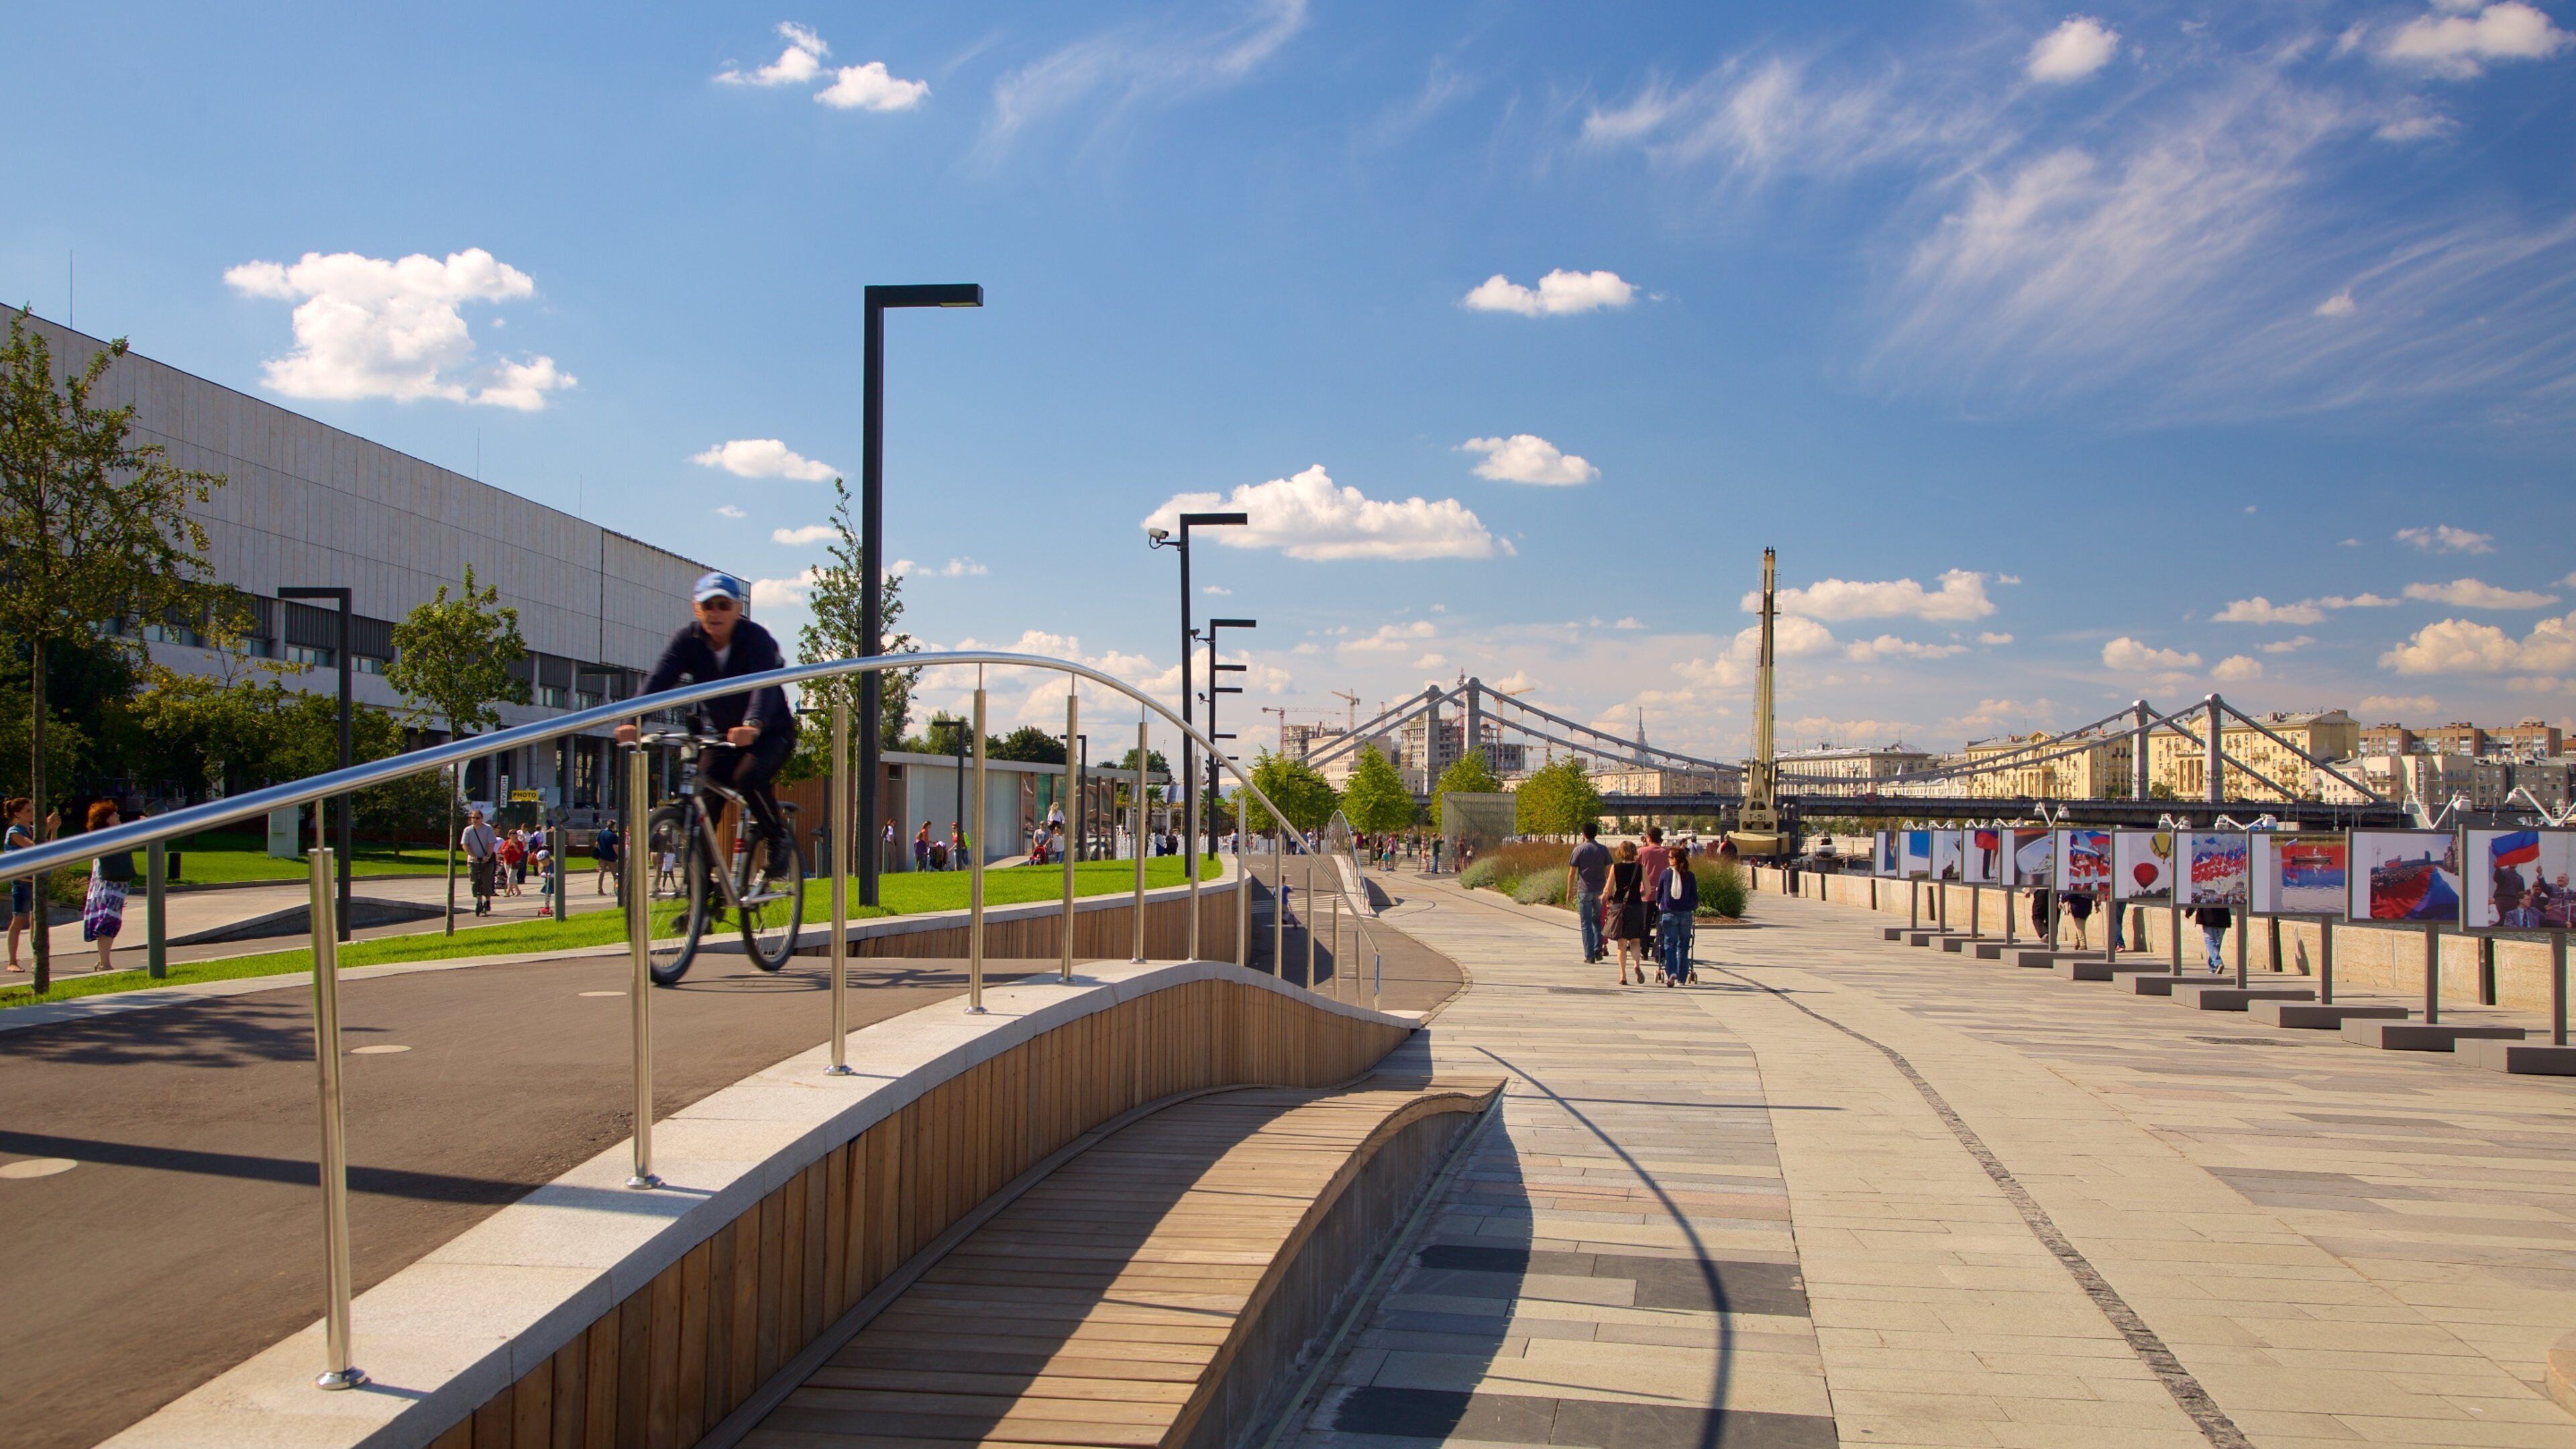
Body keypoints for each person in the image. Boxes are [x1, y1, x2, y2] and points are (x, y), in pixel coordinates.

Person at [614, 572, 799, 879]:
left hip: (770, 732)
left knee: (748, 778)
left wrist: (753, 724)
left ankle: (777, 838)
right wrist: (632, 719)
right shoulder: (688, 640)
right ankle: (701, 891)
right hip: (721, 737)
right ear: (696, 609)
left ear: (738, 610)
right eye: (707, 605)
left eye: (723, 605)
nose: (715, 613)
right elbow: (659, 680)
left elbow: (763, 686)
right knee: (703, 801)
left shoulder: (756, 639)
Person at [82, 800, 133, 974]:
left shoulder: (109, 835)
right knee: (108, 922)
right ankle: (104, 963)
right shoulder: (107, 836)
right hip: (109, 886)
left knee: (109, 921)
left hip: (113, 886)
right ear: (105, 819)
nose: (118, 816)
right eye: (114, 814)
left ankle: (103, 960)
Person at [5, 797, 51, 973]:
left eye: (33, 810)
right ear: (17, 814)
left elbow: (48, 848)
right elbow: (33, 847)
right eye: (28, 811)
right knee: (19, 920)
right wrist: (47, 826)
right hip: (22, 882)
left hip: (37, 882)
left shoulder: (33, 830)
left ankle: (36, 959)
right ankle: (12, 961)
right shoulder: (14, 832)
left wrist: (53, 829)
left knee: (37, 922)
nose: (32, 813)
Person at [1568, 822, 1611, 965]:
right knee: (1597, 920)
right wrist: (1610, 889)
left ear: (1584, 834)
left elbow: (1572, 872)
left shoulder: (1579, 850)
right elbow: (1608, 871)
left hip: (1584, 890)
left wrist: (1570, 891)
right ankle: (1598, 949)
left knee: (1585, 922)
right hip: (1600, 890)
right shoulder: (1603, 850)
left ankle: (1589, 954)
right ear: (1596, 833)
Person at [1656, 849, 1699, 987]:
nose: (1668, 859)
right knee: (1683, 946)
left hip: (1669, 913)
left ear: (1675, 859)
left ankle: (1672, 971)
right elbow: (1695, 897)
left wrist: (1660, 904)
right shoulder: (1690, 876)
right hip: (1685, 914)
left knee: (1669, 944)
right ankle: (1681, 977)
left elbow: (1659, 896)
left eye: (1670, 857)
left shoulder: (1665, 874)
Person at [1607, 841, 1647, 984]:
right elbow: (1647, 890)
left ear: (1621, 851)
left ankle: (1623, 975)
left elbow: (1608, 889)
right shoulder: (1640, 868)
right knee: (1635, 941)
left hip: (1620, 907)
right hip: (1636, 906)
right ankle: (1636, 964)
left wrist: (1606, 898)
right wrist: (1637, 895)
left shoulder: (1615, 868)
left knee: (1622, 943)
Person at [461, 807, 501, 916]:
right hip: (473, 861)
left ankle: (487, 901)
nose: (475, 820)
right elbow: (465, 845)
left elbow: (491, 843)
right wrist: (472, 856)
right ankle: (478, 901)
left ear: (482, 819)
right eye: (473, 818)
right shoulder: (468, 830)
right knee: (475, 882)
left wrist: (487, 856)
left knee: (487, 881)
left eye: (477, 818)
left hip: (486, 861)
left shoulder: (488, 829)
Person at [2194, 904, 2233, 974]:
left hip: (2208, 918)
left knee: (2210, 941)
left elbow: (2195, 901)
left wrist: (2189, 912)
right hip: (2223, 918)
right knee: (2217, 944)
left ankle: (2218, 963)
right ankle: (2213, 967)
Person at [593, 818, 622, 894]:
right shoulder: (613, 836)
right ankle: (617, 890)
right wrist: (619, 855)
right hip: (611, 858)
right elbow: (615, 847)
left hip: (602, 857)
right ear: (613, 826)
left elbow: (596, 844)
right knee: (616, 874)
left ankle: (599, 890)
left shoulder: (602, 832)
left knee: (601, 874)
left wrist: (597, 855)